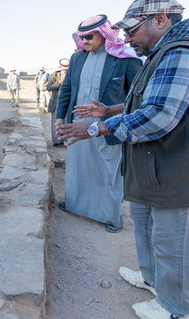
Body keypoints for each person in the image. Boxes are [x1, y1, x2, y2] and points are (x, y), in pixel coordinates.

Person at [57, 0, 189, 318]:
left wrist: (96, 127)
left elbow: (159, 116)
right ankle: (152, 279)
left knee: (173, 242)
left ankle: (175, 307)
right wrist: (109, 109)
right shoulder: (163, 52)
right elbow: (150, 99)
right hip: (155, 166)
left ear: (160, 19)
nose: (127, 38)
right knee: (146, 225)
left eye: (132, 30)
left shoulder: (184, 53)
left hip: (178, 170)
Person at [54, 14, 141, 233]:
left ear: (104, 34)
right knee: (78, 168)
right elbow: (67, 89)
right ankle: (75, 206)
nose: (85, 42)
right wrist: (59, 117)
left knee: (107, 172)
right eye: (82, 38)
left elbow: (137, 97)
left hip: (107, 126)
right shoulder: (77, 58)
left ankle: (111, 217)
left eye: (90, 37)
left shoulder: (125, 59)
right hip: (77, 124)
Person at [45, 58, 69, 145]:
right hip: (56, 102)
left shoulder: (71, 74)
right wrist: (59, 83)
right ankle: (57, 141)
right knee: (56, 121)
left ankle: (66, 140)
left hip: (67, 101)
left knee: (66, 121)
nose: (65, 71)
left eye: (66, 70)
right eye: (63, 70)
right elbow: (48, 87)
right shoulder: (53, 75)